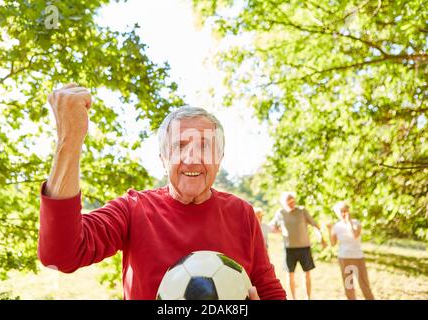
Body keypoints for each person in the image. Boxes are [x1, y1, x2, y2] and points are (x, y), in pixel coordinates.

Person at [37, 83, 287, 300]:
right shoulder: (133, 209)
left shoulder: (242, 213)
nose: (192, 159)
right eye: (179, 146)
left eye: (205, 146)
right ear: (163, 158)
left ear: (220, 157)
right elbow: (59, 255)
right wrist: (69, 140)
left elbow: (268, 289)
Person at [270, 191, 326, 300]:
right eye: (288, 201)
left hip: (304, 248)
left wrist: (321, 238)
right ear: (283, 202)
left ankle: (308, 298)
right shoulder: (280, 213)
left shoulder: (302, 211)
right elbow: (272, 226)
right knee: (290, 274)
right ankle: (293, 298)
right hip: (289, 249)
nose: (291, 202)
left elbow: (314, 225)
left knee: (307, 273)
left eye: (292, 200)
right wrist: (274, 229)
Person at [327, 201, 374, 300]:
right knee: (348, 285)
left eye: (345, 211)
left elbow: (355, 235)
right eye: (341, 212)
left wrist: (349, 222)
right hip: (344, 257)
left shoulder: (356, 223)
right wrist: (330, 230)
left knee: (364, 284)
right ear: (338, 214)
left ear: (349, 211)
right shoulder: (337, 226)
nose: (344, 213)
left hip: (358, 257)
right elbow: (333, 243)